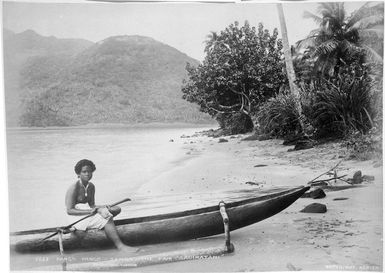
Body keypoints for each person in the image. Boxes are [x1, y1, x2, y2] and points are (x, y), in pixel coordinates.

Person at [65, 159, 138, 252]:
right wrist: (90, 211)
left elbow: (92, 205)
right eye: (84, 172)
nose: (87, 174)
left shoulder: (91, 186)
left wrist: (103, 206)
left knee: (116, 209)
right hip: (77, 218)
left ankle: (103, 225)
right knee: (107, 217)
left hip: (88, 212)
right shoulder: (74, 187)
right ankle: (120, 246)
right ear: (78, 174)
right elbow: (69, 210)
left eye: (90, 171)